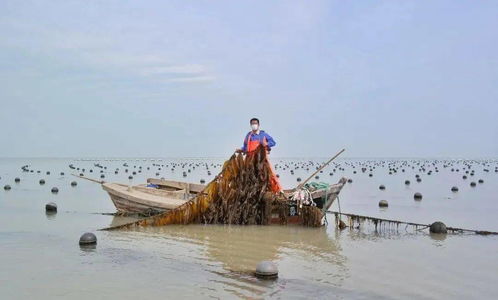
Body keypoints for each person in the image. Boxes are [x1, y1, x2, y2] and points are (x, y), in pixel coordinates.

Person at [236, 118, 282, 193]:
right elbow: (245, 146)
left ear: (258, 125)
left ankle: (276, 190)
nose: (254, 125)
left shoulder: (263, 134)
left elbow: (273, 142)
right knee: (246, 175)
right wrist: (241, 150)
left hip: (261, 160)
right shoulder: (248, 135)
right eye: (252, 124)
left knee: (268, 175)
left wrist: (267, 144)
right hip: (250, 159)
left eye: (255, 123)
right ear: (250, 125)